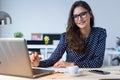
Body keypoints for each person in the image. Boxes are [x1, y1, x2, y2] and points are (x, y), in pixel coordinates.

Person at [30, 0, 107, 68]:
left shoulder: (100, 33)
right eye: (76, 16)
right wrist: (38, 63)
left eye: (83, 14)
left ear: (90, 14)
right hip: (71, 75)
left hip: (92, 75)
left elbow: (98, 62)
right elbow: (52, 60)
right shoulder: (66, 36)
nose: (80, 19)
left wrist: (71, 64)